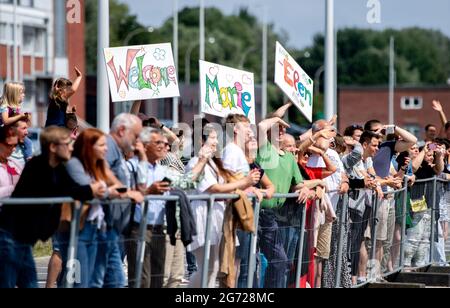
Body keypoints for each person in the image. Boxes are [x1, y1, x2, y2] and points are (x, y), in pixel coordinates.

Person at [0, 126, 106, 288]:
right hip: (10, 236)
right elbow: (58, 190)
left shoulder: (60, 168)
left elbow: (72, 188)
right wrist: (90, 189)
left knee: (30, 285)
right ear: (53, 147)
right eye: (67, 143)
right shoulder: (36, 166)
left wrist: (94, 190)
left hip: (24, 238)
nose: (71, 147)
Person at [186, 123, 260, 288]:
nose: (216, 142)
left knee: (216, 268)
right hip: (204, 215)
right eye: (212, 138)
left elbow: (228, 184)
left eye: (217, 138)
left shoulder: (215, 163)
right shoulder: (195, 162)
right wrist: (244, 182)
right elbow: (214, 189)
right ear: (200, 140)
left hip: (219, 215)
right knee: (207, 267)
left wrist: (248, 185)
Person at [57, 128, 124, 288]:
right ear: (88, 146)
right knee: (79, 281)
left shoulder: (99, 165)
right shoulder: (74, 164)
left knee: (89, 281)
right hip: (77, 229)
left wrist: (106, 188)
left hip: (94, 228)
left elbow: (119, 186)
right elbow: (88, 188)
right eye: (101, 145)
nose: (106, 149)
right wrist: (108, 191)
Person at [91, 113, 144, 288]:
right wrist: (127, 192)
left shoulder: (116, 149)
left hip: (112, 229)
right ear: (122, 130)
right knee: (100, 281)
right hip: (102, 228)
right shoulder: (109, 146)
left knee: (113, 282)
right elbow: (101, 173)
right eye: (135, 136)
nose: (136, 141)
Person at [0, 82, 33, 160]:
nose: (24, 95)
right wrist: (20, 116)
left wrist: (25, 118)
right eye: (21, 93)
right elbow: (6, 121)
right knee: (28, 142)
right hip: (3, 132)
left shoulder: (16, 107)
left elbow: (17, 122)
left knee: (27, 142)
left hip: (12, 132)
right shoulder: (4, 106)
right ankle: (29, 158)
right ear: (14, 94)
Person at [0, 126, 21, 199]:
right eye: (9, 145)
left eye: (15, 145)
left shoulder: (16, 163)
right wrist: (13, 189)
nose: (13, 149)